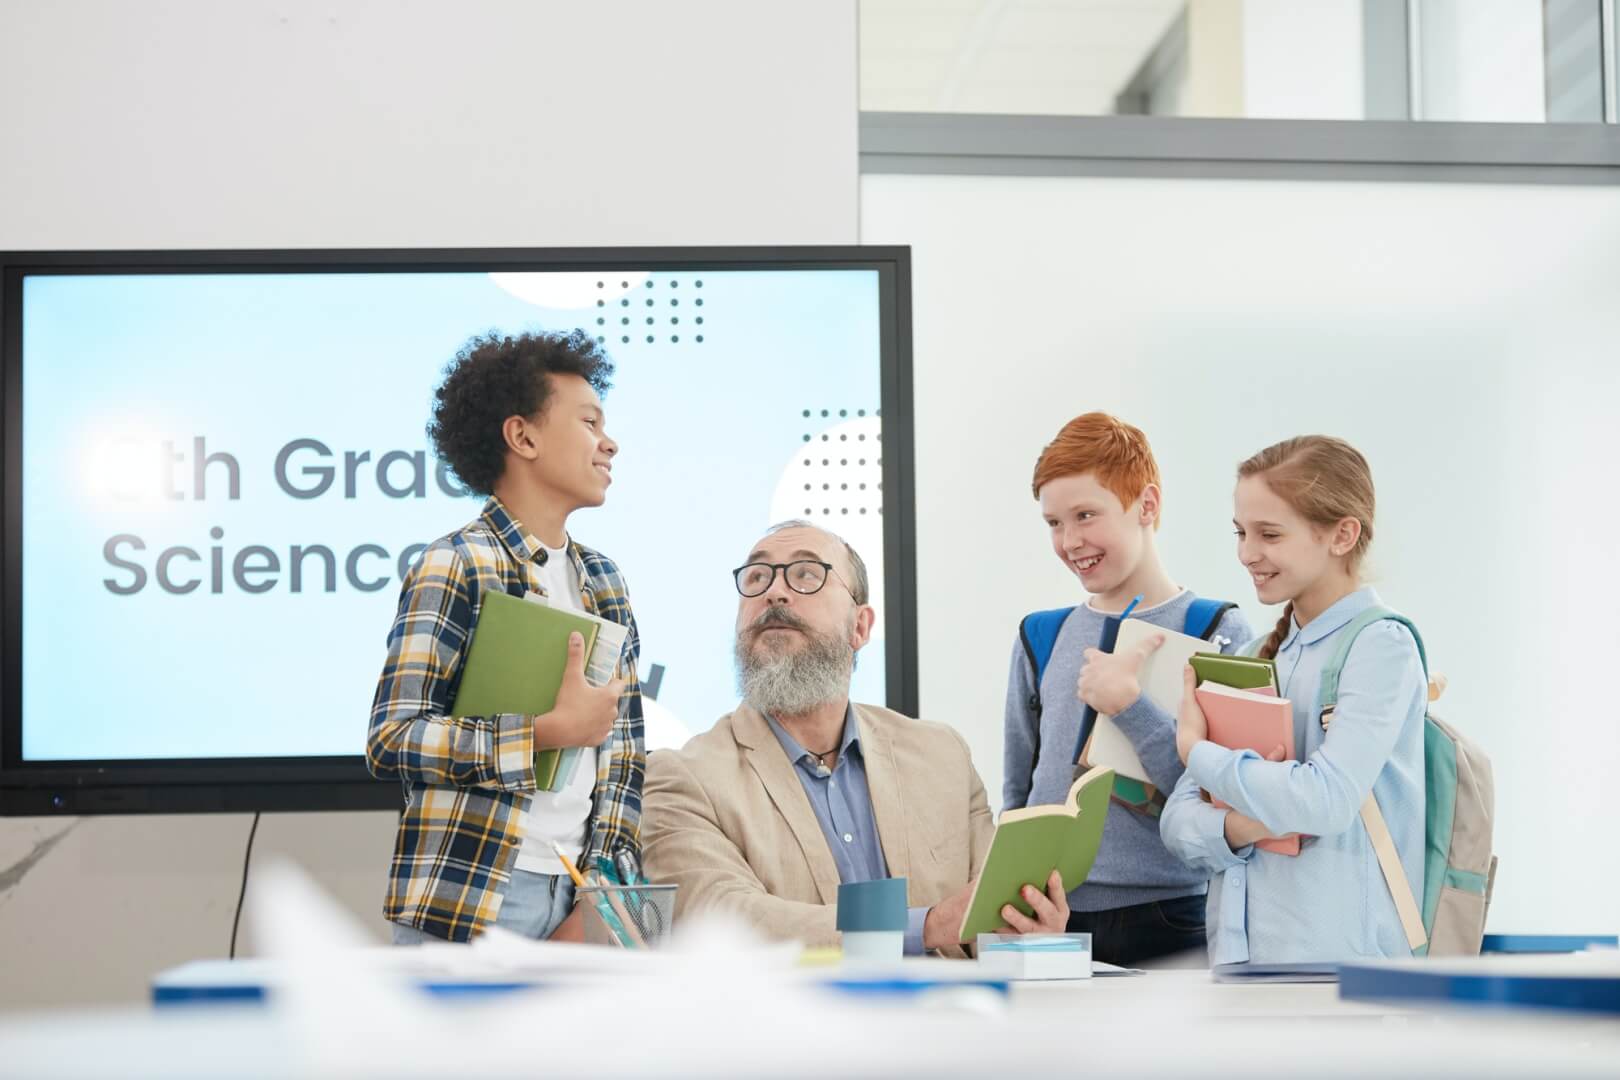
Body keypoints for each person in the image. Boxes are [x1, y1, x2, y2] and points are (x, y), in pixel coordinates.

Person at [643, 520, 1068, 955]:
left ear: (860, 627)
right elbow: (723, 918)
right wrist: (926, 925)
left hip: (953, 999)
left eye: (806, 574)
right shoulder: (682, 777)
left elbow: (993, 910)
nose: (774, 592)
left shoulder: (942, 755)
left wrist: (1028, 928)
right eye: (756, 578)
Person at [368, 329, 644, 944]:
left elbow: (625, 759)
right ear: (523, 437)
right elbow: (394, 738)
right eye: (589, 422)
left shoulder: (605, 580)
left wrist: (603, 901)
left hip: (580, 894)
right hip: (474, 897)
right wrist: (543, 733)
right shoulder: (456, 562)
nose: (610, 443)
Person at [1160, 436, 1426, 964]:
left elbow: (1326, 801)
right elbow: (1177, 825)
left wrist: (1196, 752)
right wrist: (1248, 826)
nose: (1246, 553)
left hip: (1339, 971)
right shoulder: (1256, 654)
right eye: (1241, 532)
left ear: (1342, 535)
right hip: (1237, 963)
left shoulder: (1380, 646)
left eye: (1269, 534)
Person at [1003, 412, 1253, 965]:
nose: (1070, 541)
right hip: (1050, 916)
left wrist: (1131, 707)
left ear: (1147, 505)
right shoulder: (1041, 635)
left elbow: (1225, 797)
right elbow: (1018, 790)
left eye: (1086, 515)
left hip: (1174, 918)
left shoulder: (1216, 632)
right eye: (1053, 523)